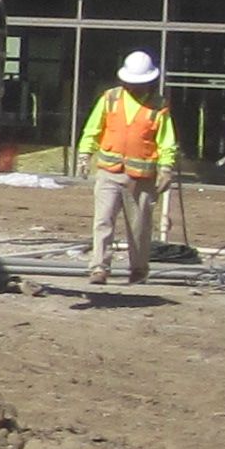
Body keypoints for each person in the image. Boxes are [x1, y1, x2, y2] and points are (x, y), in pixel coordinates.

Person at [84, 48, 177, 283]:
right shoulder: (110, 99)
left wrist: (166, 168)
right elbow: (93, 129)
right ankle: (99, 267)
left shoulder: (158, 106)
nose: (135, 88)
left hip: (141, 177)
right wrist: (85, 154)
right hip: (109, 172)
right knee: (103, 220)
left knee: (139, 227)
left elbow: (166, 141)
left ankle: (138, 269)